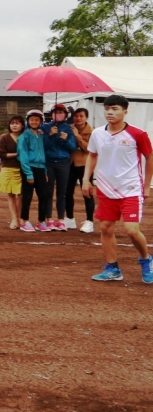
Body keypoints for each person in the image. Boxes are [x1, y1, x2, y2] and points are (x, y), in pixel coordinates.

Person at [83, 94, 153, 283]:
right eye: (107, 108)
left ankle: (146, 260)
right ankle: (113, 269)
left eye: (115, 109)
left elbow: (149, 157)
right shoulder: (98, 133)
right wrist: (85, 179)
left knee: (131, 230)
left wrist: (146, 186)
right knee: (105, 228)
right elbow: (92, 156)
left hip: (131, 189)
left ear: (125, 111)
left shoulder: (138, 134)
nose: (110, 112)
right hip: (106, 189)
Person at [42, 103, 76, 231]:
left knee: (62, 192)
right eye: (56, 112)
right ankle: (49, 218)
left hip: (63, 162)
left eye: (61, 112)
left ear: (65, 115)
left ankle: (61, 219)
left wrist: (66, 140)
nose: (58, 115)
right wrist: (50, 135)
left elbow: (72, 147)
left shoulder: (68, 128)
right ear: (51, 115)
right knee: (48, 192)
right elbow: (43, 146)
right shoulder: (45, 127)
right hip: (49, 162)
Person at [18, 109, 50, 232]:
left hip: (41, 168)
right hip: (29, 169)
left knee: (43, 196)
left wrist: (45, 171)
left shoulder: (42, 136)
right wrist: (28, 174)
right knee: (27, 196)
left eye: (37, 120)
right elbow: (23, 155)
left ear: (41, 121)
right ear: (28, 121)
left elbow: (43, 154)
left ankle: (41, 221)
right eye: (32, 120)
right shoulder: (24, 136)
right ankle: (25, 221)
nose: (34, 122)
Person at [67, 108, 96, 233]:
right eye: (76, 116)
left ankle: (89, 221)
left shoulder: (93, 132)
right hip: (69, 163)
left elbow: (89, 149)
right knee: (67, 192)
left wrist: (77, 136)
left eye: (81, 116)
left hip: (85, 165)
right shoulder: (68, 128)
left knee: (87, 193)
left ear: (86, 117)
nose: (78, 118)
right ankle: (69, 218)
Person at [0, 116, 25, 230]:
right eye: (12, 123)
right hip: (8, 169)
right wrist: (17, 154)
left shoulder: (25, 137)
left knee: (21, 195)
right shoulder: (4, 137)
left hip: (22, 169)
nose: (14, 125)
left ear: (22, 125)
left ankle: (21, 218)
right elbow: (1, 153)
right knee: (11, 195)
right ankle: (14, 219)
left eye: (17, 123)